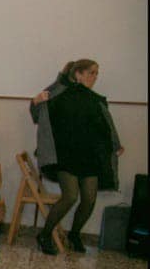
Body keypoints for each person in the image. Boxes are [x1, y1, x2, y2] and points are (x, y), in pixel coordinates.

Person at [30, 59, 124, 254]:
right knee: (70, 196)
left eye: (97, 73)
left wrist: (114, 145)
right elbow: (38, 112)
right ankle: (45, 234)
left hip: (88, 157)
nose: (95, 77)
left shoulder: (94, 99)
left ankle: (74, 234)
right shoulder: (59, 91)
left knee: (89, 199)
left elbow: (104, 127)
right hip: (64, 156)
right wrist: (35, 102)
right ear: (78, 74)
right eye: (91, 73)